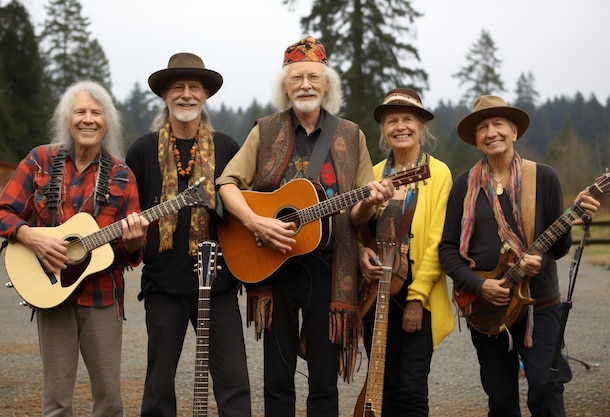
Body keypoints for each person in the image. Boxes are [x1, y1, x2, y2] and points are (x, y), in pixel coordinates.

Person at [216, 35, 393, 417]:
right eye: (296, 78)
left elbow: (358, 216)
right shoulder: (264, 130)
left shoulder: (351, 135)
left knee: (323, 379)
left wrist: (370, 200)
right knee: (277, 377)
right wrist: (257, 222)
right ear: (285, 85)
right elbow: (226, 184)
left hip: (329, 268)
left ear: (327, 84)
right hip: (273, 263)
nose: (306, 85)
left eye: (313, 77)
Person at [0, 80, 149, 416]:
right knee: (57, 401)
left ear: (107, 122)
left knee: (109, 400)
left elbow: (130, 253)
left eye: (96, 113)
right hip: (50, 295)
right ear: (67, 119)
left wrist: (133, 242)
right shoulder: (39, 161)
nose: (88, 119)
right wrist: (32, 237)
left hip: (102, 297)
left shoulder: (123, 175)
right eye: (80, 112)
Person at [438, 95, 600, 417]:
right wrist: (479, 286)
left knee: (546, 388)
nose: (491, 132)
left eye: (499, 123)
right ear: (475, 139)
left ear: (514, 131)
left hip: (539, 303)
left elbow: (558, 247)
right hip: (486, 310)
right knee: (500, 400)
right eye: (482, 127)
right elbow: (447, 249)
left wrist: (550, 247)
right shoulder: (463, 187)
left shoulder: (544, 177)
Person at [125, 53, 251, 417]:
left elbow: (244, 212)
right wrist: (132, 238)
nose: (186, 94)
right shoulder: (143, 149)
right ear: (164, 96)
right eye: (177, 87)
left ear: (206, 96)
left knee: (233, 382)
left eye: (194, 87)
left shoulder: (228, 147)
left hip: (220, 284)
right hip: (163, 285)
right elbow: (131, 214)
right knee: (159, 385)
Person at [357, 88, 454, 416]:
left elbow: (438, 240)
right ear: (384, 130)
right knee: (383, 386)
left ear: (422, 128)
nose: (400, 126)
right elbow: (359, 232)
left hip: (418, 292)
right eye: (392, 120)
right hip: (378, 290)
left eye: (408, 119)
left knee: (412, 389)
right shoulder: (372, 174)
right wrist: (361, 254)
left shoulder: (438, 173)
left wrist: (417, 298)